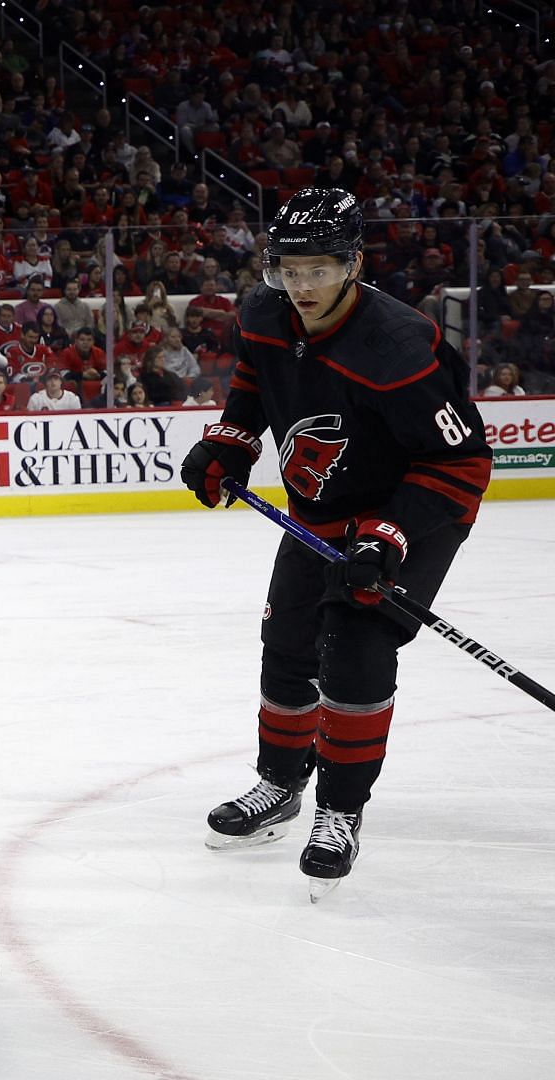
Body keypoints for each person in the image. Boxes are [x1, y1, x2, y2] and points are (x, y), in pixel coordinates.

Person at [178, 189, 492, 896]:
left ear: (353, 263)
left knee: (355, 649)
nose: (303, 285)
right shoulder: (263, 312)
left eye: (318, 268)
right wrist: (230, 441)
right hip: (318, 514)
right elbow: (257, 381)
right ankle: (279, 785)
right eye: (289, 268)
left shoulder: (397, 347)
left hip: (411, 514)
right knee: (287, 646)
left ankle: (341, 812)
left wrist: (389, 536)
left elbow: (461, 461)